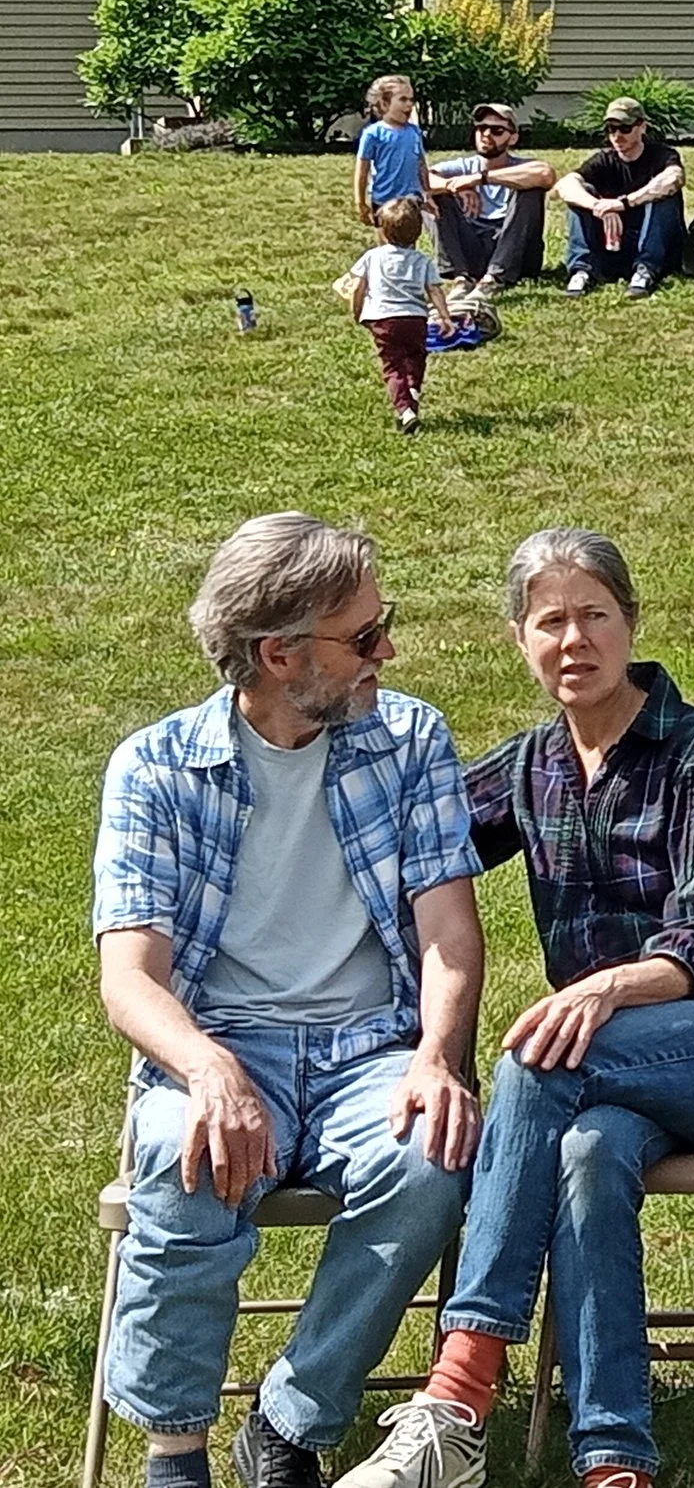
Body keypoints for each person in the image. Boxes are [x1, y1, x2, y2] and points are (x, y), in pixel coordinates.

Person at [338, 529, 694, 1488]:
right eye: (550, 621)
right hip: (613, 1073)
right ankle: (614, 1459)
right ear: (520, 639)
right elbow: (413, 846)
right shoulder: (532, 765)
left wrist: (604, 988)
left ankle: (459, 1391)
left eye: (594, 614)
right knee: (588, 1153)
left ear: (630, 623)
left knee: (537, 1056)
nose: (574, 639)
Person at [92, 514, 483, 1488]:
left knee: (430, 1159)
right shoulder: (155, 767)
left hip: (369, 1052)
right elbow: (129, 977)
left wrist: (436, 1055)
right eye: (365, 635)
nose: (387, 650)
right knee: (179, 1152)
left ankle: (289, 1421)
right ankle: (174, 1453)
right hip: (221, 1045)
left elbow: (449, 933)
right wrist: (208, 1066)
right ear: (279, 655)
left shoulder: (410, 738)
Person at [346, 196, 456, 436]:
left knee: (393, 366)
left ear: (383, 232)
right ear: (417, 233)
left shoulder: (372, 257)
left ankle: (405, 410)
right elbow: (434, 290)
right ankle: (413, 388)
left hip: (383, 320)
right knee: (416, 357)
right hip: (415, 319)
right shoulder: (422, 261)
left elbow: (357, 288)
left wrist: (357, 311)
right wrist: (445, 317)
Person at [556, 97, 685, 300]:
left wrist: (623, 203)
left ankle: (645, 271)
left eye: (625, 128)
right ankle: (581, 271)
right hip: (613, 244)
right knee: (581, 193)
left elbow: (674, 178)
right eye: (611, 129)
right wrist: (599, 206)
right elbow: (565, 185)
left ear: (642, 127)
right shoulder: (604, 160)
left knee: (662, 195)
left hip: (654, 245)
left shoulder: (662, 156)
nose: (617, 136)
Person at [424, 102, 554, 297]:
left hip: (516, 254)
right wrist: (453, 187)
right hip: (473, 249)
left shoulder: (522, 166)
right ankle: (461, 278)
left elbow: (545, 174)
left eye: (496, 130)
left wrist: (481, 178)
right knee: (432, 196)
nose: (486, 134)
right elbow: (421, 179)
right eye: (481, 128)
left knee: (531, 191)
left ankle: (494, 279)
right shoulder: (463, 166)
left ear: (513, 138)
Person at [352, 75, 427, 232]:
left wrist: (427, 193)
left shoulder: (414, 132)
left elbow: (421, 164)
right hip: (384, 200)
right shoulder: (373, 134)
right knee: (387, 241)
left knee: (408, 239)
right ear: (384, 104)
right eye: (403, 99)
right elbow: (362, 170)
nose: (409, 104)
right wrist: (361, 202)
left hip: (411, 199)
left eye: (411, 100)